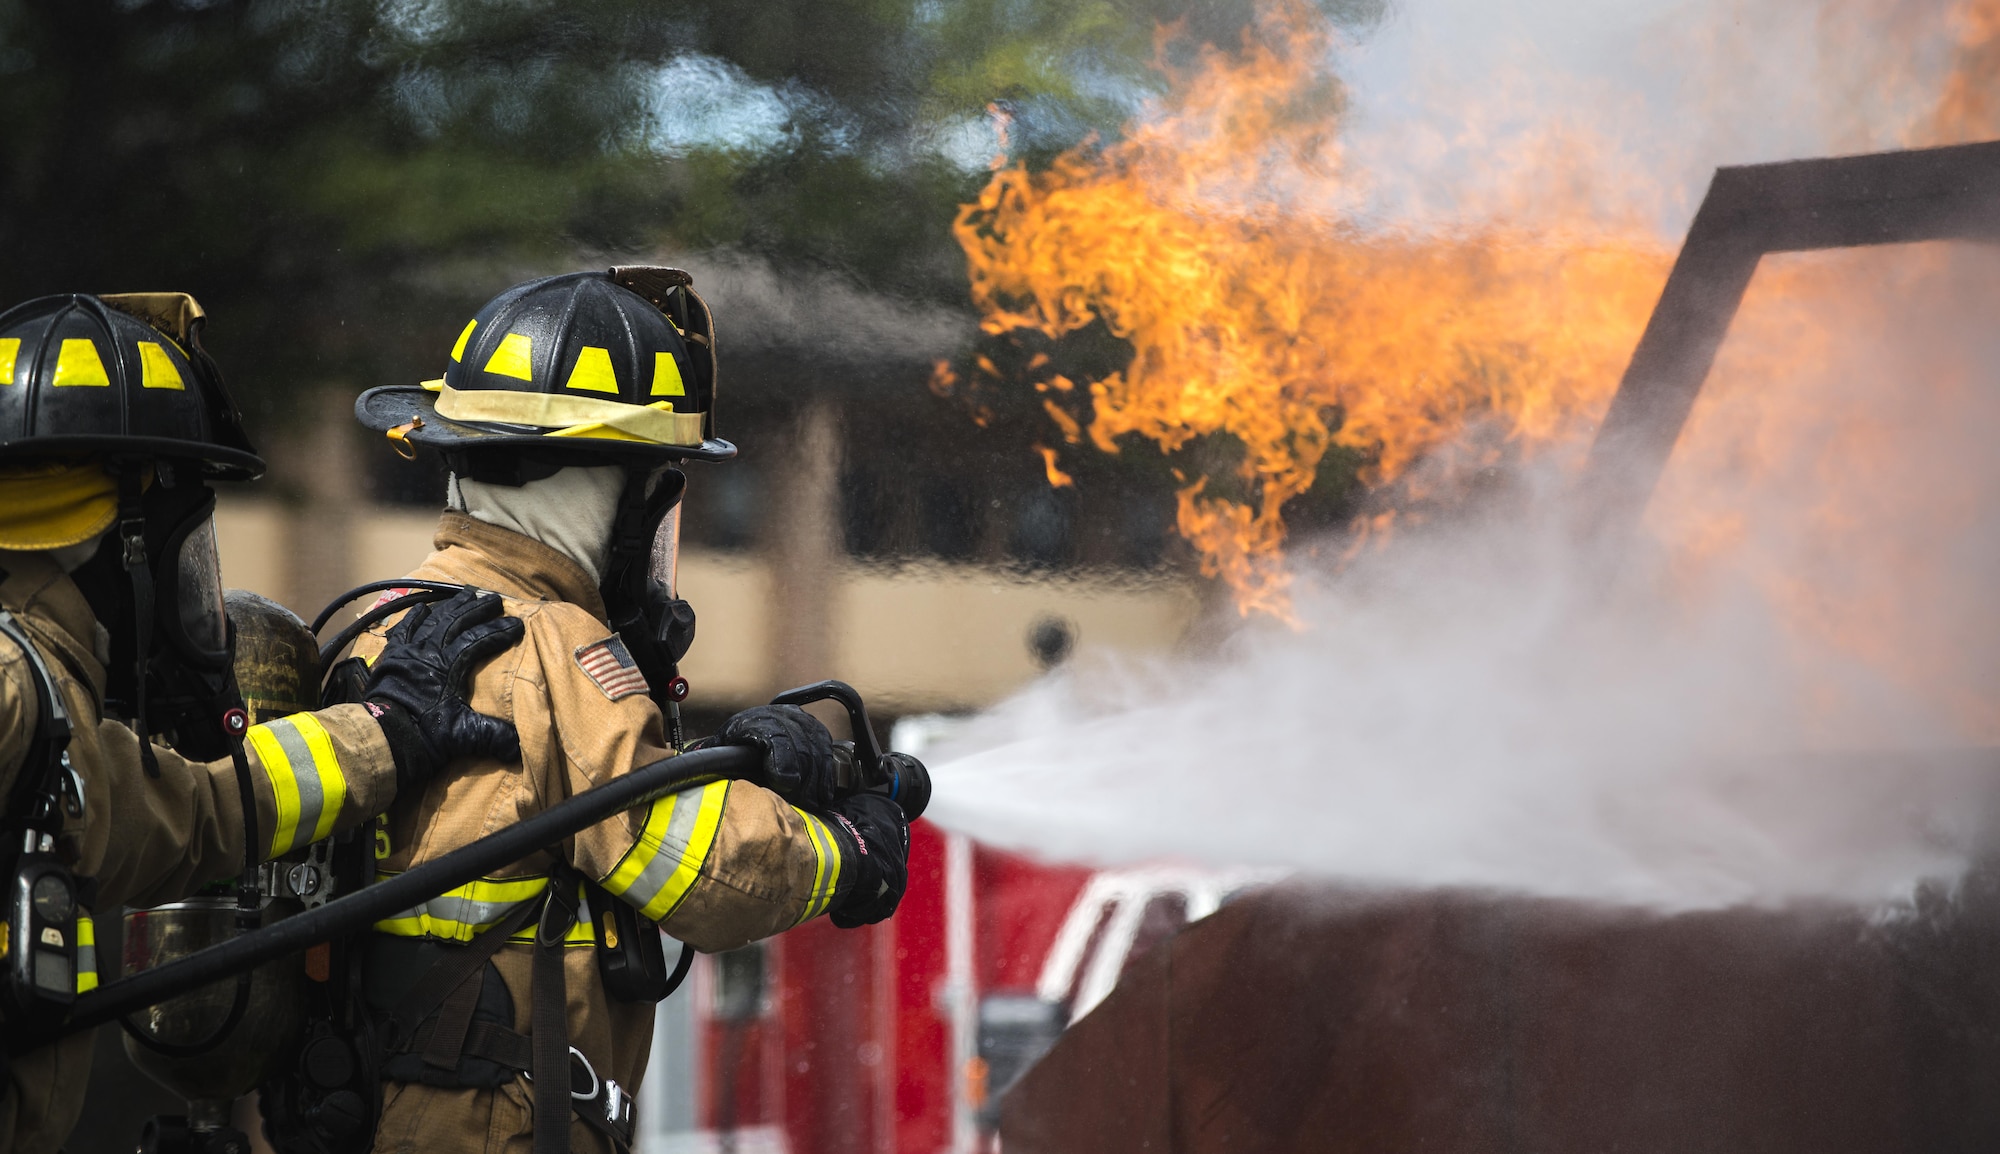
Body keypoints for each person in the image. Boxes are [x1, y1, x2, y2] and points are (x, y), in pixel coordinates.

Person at [350, 268, 913, 1154]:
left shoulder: (387, 628)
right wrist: (852, 849)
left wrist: (732, 762)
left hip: (371, 1105)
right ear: (606, 492)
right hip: (493, 1122)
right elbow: (701, 869)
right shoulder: (550, 646)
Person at [0, 292, 524, 1154]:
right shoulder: (18, 691)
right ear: (124, 541)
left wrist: (389, 730)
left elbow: (208, 810)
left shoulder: (59, 728)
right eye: (186, 546)